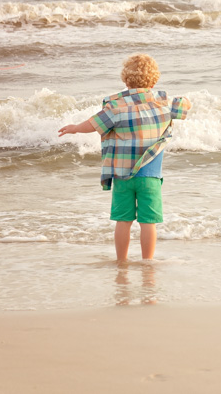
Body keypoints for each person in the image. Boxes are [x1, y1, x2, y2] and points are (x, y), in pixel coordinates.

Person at [59, 54, 190, 261]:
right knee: (148, 223)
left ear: (125, 81)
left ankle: (122, 261)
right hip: (150, 177)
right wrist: (185, 101)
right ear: (154, 81)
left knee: (123, 221)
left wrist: (75, 128)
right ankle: (147, 262)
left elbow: (93, 124)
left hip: (123, 176)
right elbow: (184, 105)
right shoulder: (163, 104)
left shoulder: (116, 107)